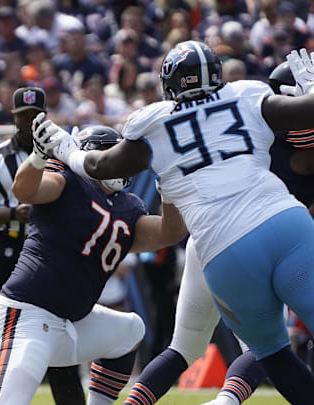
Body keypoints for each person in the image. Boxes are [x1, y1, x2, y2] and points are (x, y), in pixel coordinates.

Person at [34, 40, 314, 404]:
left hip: (223, 250)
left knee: (270, 351)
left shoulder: (154, 123)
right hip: (283, 222)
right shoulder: (247, 94)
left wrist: (65, 148)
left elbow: (99, 166)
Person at [121, 60, 314, 405]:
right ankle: (226, 401)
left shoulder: (253, 121)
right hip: (239, 243)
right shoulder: (260, 128)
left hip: (213, 244)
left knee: (188, 346)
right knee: (265, 343)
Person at [0, 125, 188, 405]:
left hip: (70, 323)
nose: (122, 163)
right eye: (113, 154)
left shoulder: (129, 206)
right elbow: (24, 189)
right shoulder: (67, 182)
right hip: (26, 316)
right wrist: (37, 158)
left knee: (130, 331)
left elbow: (170, 232)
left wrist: (170, 187)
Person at [0, 86, 85, 405]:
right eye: (24, 117)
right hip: (10, 247)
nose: (30, 123)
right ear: (14, 118)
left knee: (60, 326)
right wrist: (12, 213)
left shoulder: (64, 152)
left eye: (36, 116)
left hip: (51, 251)